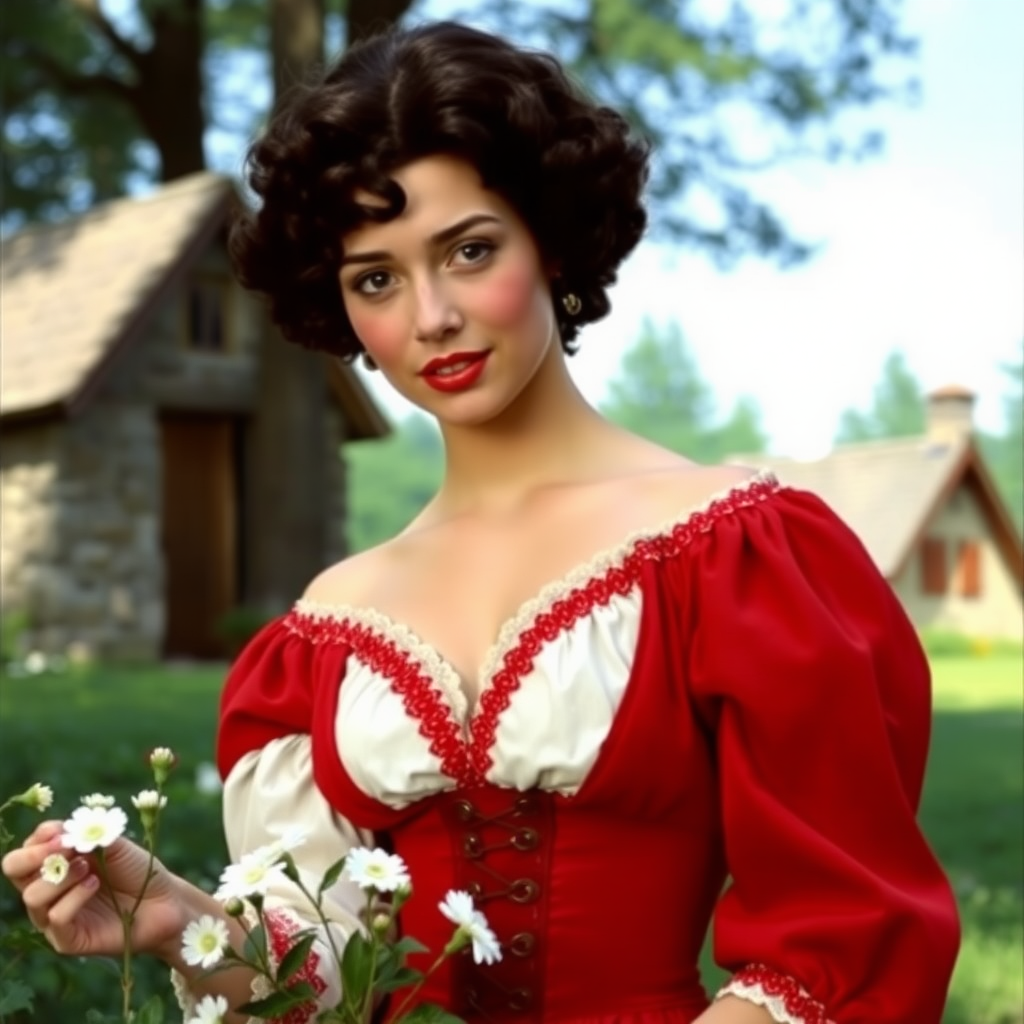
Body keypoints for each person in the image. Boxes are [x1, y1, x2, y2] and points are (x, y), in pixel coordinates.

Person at [3, 20, 960, 1024]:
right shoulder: (320, 635)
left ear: (549, 235)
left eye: (468, 251)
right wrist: (173, 915)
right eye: (375, 278)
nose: (431, 318)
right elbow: (320, 973)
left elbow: (839, 937)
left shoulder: (740, 553)